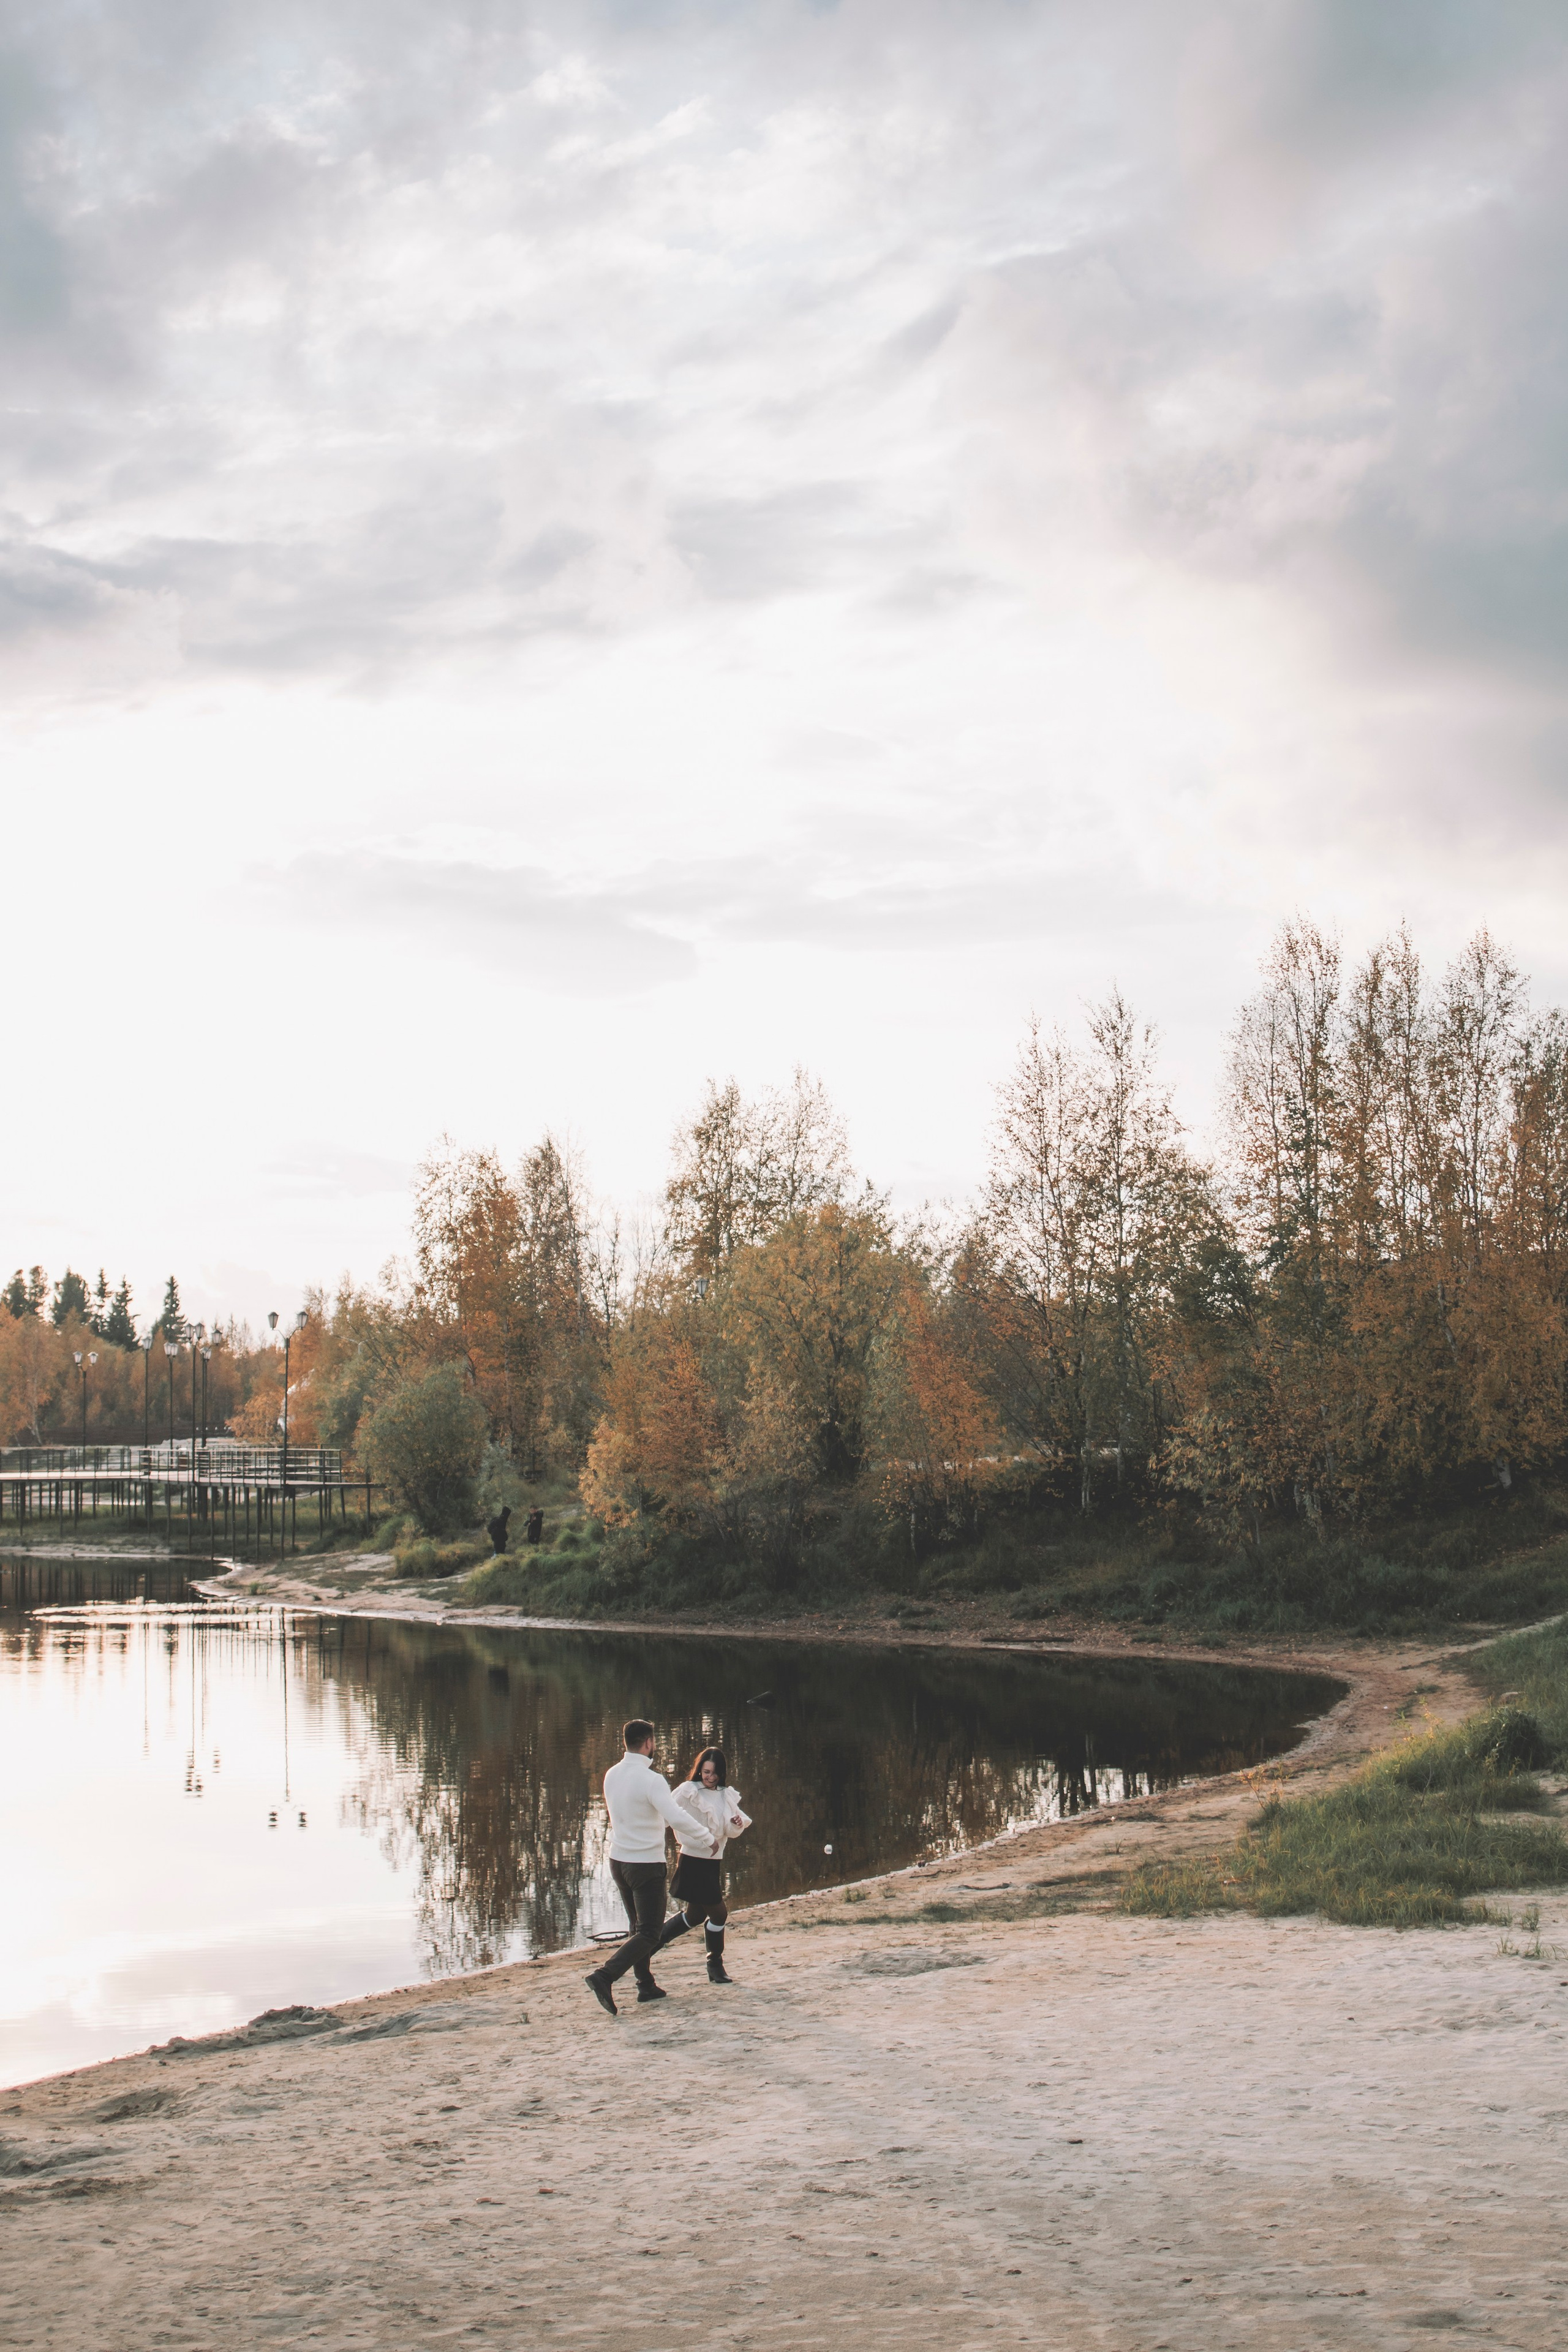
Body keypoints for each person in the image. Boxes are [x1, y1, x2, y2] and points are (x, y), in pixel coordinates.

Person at [584, 1719, 715, 2018]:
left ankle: (645, 1984)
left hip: (618, 1862)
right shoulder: (652, 1780)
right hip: (645, 1866)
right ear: (648, 1744)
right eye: (654, 1742)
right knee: (651, 1933)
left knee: (637, 1928)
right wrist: (707, 1837)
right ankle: (604, 1976)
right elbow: (675, 1817)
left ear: (626, 1743)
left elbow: (642, 1814)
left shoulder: (612, 1775)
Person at [654, 1745, 750, 1985]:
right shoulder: (688, 1791)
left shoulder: (724, 1794)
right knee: (719, 1914)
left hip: (712, 1863)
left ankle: (647, 1947)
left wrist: (737, 1822)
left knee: (695, 1915)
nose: (710, 1777)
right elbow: (665, 1815)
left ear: (722, 1773)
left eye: (715, 1773)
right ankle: (715, 1965)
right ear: (700, 1770)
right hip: (693, 1861)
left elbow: (730, 1830)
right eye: (706, 1772)